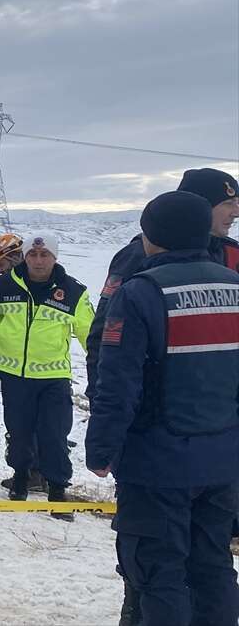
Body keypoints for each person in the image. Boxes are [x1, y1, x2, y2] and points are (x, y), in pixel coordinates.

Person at [86, 191, 239, 626]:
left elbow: (118, 384)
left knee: (157, 572)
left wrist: (101, 450)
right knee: (213, 567)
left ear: (151, 238)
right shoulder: (235, 286)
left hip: (157, 463)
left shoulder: (142, 292)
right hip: (222, 463)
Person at [87, 168, 239, 403]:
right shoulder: (140, 255)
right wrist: (103, 401)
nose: (236, 212)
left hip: (219, 407)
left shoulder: (231, 254)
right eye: (228, 203)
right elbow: (105, 334)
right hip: (157, 408)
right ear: (198, 205)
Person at [0, 230, 93, 518]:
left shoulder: (73, 291)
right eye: (33, 254)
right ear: (25, 255)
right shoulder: (5, 284)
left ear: (54, 257)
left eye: (45, 254)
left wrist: (102, 365)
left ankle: (57, 489)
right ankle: (20, 479)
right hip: (13, 374)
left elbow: (90, 334)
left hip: (52, 377)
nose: (38, 260)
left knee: (54, 434)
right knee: (18, 432)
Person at [0, 232, 46, 495]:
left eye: (0, 264)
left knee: (32, 423)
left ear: (14, 258)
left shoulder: (36, 282)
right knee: (21, 423)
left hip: (39, 367)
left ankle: (35, 473)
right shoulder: (6, 284)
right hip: (11, 364)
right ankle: (31, 472)